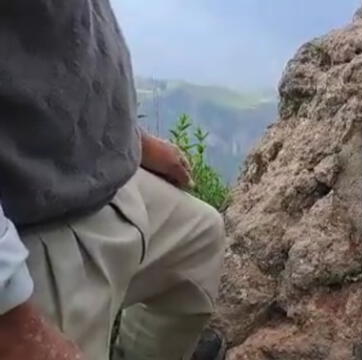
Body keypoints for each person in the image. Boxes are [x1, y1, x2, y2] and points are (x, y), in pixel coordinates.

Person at [0, 1, 227, 359]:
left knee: (199, 239)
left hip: (103, 185)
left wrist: (129, 139)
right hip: (36, 237)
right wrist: (13, 322)